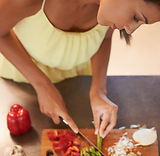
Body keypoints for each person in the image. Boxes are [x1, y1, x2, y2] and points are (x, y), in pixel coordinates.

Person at [0, 0, 160, 138]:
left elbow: (104, 38)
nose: (131, 30)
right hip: (23, 73)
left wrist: (98, 91)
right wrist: (43, 86)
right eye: (136, 17)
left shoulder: (107, 8)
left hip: (75, 77)